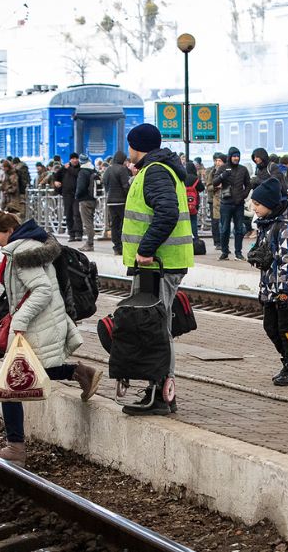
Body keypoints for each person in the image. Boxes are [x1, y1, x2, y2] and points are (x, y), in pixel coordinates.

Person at [0, 210, 97, 464]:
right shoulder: (31, 245)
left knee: (11, 386)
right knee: (32, 372)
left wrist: (20, 320)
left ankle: (15, 448)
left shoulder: (23, 253)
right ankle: (80, 373)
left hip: (38, 322)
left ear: (10, 232)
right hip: (45, 320)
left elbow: (42, 290)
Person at [120, 123, 196, 415]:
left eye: (130, 146)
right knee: (154, 326)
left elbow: (166, 212)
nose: (129, 151)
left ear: (137, 146)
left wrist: (146, 250)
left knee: (154, 328)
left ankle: (161, 394)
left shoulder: (155, 172)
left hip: (158, 264)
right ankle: (158, 390)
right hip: (160, 263)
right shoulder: (156, 170)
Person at [247, 178, 288, 386]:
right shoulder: (267, 225)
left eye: (257, 204)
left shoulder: (285, 227)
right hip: (271, 288)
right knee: (270, 327)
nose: (253, 208)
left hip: (286, 289)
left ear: (270, 204)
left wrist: (284, 291)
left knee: (286, 328)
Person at [213, 147, 251, 261]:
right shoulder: (223, 168)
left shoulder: (243, 169)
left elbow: (248, 185)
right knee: (224, 229)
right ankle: (224, 252)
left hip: (238, 204)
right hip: (226, 203)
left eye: (238, 156)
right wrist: (222, 176)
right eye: (234, 156)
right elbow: (214, 182)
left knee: (239, 229)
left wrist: (243, 195)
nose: (236, 158)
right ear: (230, 157)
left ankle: (238, 253)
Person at [103, 152, 132, 256]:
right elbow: (125, 185)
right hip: (121, 201)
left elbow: (105, 184)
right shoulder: (122, 169)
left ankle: (116, 246)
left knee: (114, 225)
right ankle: (123, 246)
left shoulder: (108, 170)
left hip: (111, 202)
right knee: (124, 224)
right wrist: (129, 196)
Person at [75, 159, 98, 251]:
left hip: (85, 200)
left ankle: (89, 243)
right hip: (93, 199)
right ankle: (90, 242)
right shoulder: (93, 170)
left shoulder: (83, 172)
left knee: (87, 222)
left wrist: (77, 196)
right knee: (90, 221)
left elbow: (81, 187)